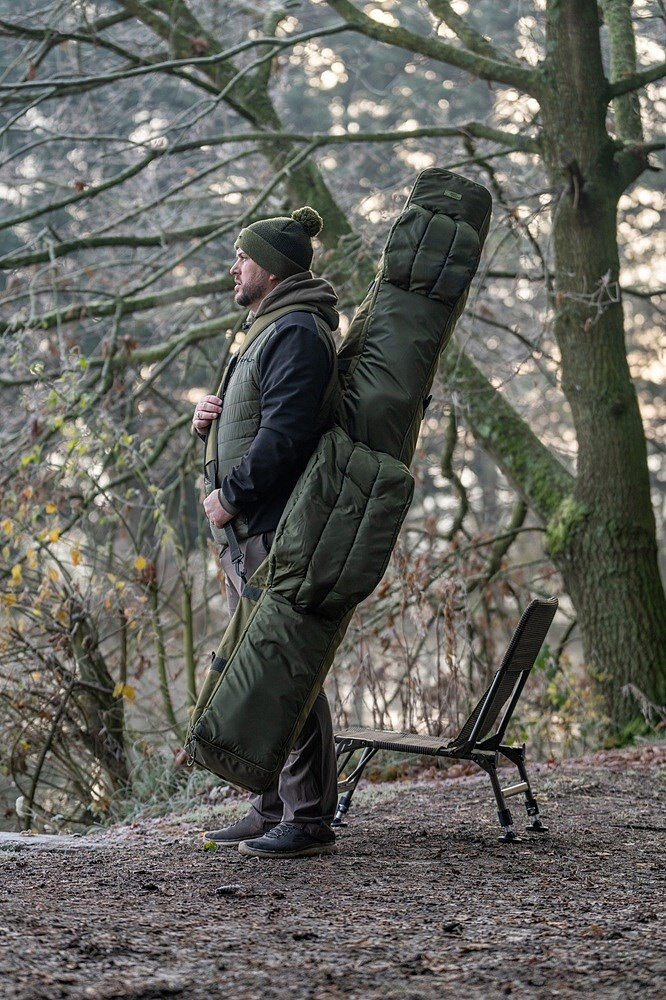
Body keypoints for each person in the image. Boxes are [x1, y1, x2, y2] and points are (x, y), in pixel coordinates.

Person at [192, 207, 340, 859]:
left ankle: (307, 819)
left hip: (273, 530)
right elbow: (257, 417)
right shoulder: (268, 329)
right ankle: (273, 807)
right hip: (251, 533)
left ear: (273, 269)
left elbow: (287, 434)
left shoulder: (298, 331)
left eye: (243, 257)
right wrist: (209, 419)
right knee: (262, 666)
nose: (234, 268)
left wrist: (231, 496)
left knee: (283, 666)